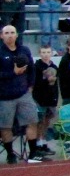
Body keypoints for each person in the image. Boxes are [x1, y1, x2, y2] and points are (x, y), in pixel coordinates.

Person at [0, 25, 43, 163]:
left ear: (17, 35)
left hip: (24, 94)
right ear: (1, 36)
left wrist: (30, 85)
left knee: (32, 122)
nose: (10, 35)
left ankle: (33, 153)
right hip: (5, 97)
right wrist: (13, 73)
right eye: (7, 33)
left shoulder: (24, 50)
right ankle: (10, 154)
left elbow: (32, 69)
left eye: (12, 32)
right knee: (5, 126)